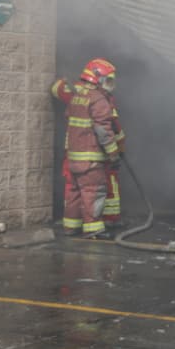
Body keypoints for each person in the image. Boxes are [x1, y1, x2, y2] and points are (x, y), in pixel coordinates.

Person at [52, 58, 122, 239]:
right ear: (96, 78)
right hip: (91, 158)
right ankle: (94, 229)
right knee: (92, 191)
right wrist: (113, 154)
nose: (110, 85)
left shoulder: (77, 96)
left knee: (74, 193)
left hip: (73, 158)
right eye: (108, 80)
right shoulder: (98, 100)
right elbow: (104, 131)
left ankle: (71, 227)